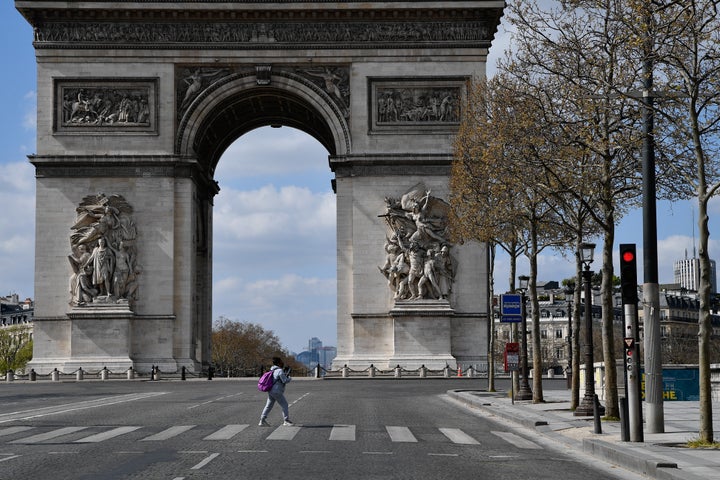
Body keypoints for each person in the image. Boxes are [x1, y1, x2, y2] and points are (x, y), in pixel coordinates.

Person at [259, 357, 293, 427]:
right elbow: (284, 381)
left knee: (268, 406)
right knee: (285, 405)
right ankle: (286, 420)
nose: (282, 363)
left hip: (270, 390)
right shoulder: (280, 370)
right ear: (278, 363)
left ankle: (262, 420)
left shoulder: (271, 370)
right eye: (281, 361)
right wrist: (289, 378)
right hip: (277, 391)